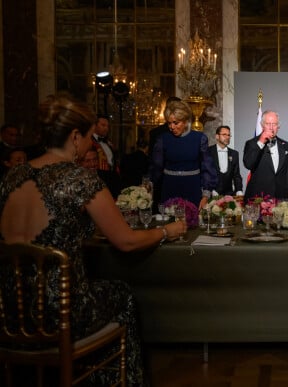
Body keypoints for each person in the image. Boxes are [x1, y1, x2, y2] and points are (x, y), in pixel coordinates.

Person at [0, 93, 185, 385]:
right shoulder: (80, 179)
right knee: (123, 295)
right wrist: (167, 231)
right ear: (75, 137)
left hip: (9, 312)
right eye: (88, 138)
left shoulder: (12, 177)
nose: (90, 146)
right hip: (58, 315)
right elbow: (126, 241)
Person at [150, 100, 217, 208]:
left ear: (185, 121)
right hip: (169, 189)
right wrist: (149, 186)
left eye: (176, 123)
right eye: (169, 123)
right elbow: (156, 168)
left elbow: (207, 168)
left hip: (192, 189)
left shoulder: (199, 138)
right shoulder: (163, 139)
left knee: (192, 223)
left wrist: (205, 195)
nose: (171, 127)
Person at [243, 110, 288, 201]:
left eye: (274, 124)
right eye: (268, 124)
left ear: (278, 126)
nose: (271, 127)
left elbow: (287, 174)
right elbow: (248, 164)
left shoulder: (286, 145)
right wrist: (261, 142)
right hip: (258, 198)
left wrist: (286, 197)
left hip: (279, 199)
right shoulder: (252, 143)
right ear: (262, 125)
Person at [91, 114, 121, 197]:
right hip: (99, 177)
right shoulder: (89, 142)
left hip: (112, 178)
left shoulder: (109, 142)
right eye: (103, 125)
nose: (106, 128)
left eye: (107, 126)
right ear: (95, 126)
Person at [209, 125, 243, 196]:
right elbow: (205, 174)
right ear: (217, 136)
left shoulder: (234, 153)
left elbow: (236, 175)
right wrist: (210, 190)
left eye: (228, 135)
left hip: (229, 194)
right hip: (211, 194)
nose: (227, 137)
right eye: (224, 134)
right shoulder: (208, 152)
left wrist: (239, 190)